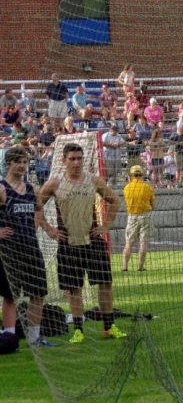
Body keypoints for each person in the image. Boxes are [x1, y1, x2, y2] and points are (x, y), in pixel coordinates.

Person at [38, 142, 124, 343]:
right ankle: (78, 329)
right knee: (73, 288)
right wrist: (50, 229)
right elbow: (36, 206)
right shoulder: (54, 183)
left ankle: (109, 326)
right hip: (68, 243)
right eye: (72, 159)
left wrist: (105, 225)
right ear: (63, 160)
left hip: (93, 241)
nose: (76, 163)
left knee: (105, 283)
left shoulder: (93, 180)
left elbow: (115, 200)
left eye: (80, 158)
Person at [0, 147, 56, 347]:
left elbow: (39, 209)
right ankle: (8, 336)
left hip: (31, 247)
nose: (23, 166)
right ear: (9, 164)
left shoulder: (31, 188)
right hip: (10, 251)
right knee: (11, 294)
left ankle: (34, 338)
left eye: (25, 162)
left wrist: (46, 227)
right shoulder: (2, 188)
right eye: (19, 162)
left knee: (38, 292)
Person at [122, 165, 154, 272]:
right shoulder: (147, 187)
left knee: (129, 243)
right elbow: (152, 203)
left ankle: (125, 266)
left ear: (130, 175)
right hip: (145, 215)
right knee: (143, 242)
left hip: (132, 216)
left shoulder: (127, 188)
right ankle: (140, 266)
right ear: (142, 175)